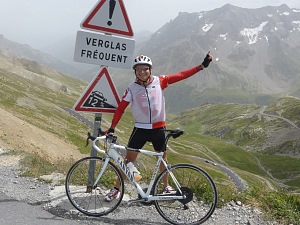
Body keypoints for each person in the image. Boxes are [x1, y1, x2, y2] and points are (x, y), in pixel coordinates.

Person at [104, 52, 213, 202]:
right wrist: (112, 127)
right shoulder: (131, 88)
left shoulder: (160, 81)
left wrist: (201, 67)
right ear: (135, 71)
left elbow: (181, 75)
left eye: (145, 69)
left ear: (150, 69)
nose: (142, 72)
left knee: (163, 160)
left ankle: (166, 186)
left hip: (158, 128)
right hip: (140, 129)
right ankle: (117, 188)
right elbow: (121, 108)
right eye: (138, 69)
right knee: (128, 162)